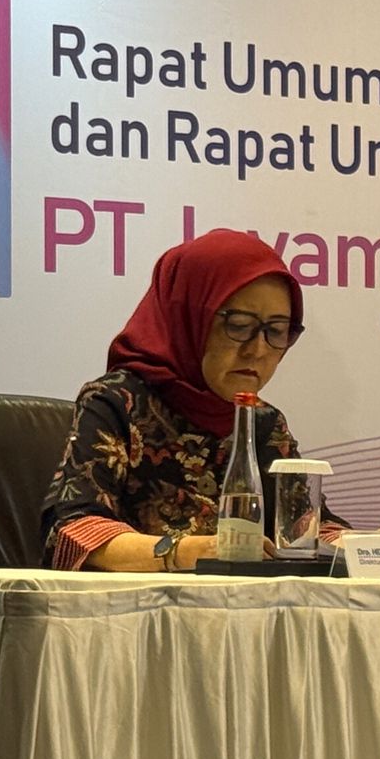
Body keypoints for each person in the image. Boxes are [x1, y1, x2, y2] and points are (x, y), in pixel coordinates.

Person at [42, 229, 344, 571]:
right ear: (188, 317)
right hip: (141, 602)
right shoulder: (117, 402)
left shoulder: (262, 421)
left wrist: (369, 546)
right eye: (239, 326)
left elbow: (308, 526)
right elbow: (74, 532)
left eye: (276, 331)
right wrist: (186, 552)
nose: (258, 350)